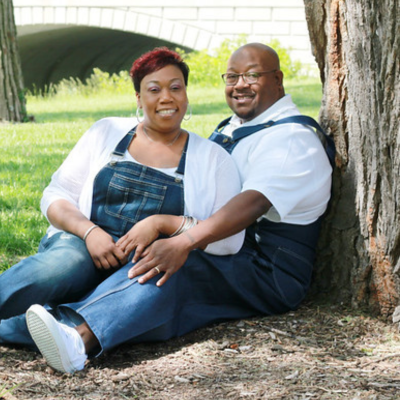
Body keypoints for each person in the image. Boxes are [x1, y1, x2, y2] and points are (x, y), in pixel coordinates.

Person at [0, 48, 244, 366]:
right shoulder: (107, 132)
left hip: (137, 268)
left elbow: (230, 241)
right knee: (67, 262)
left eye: (176, 87)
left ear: (186, 93)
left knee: (156, 278)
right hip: (82, 248)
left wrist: (163, 223)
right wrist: (89, 232)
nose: (166, 98)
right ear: (139, 97)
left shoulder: (212, 159)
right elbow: (54, 195)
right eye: (154, 89)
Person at [22, 42, 334, 374]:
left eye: (253, 75)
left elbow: (252, 204)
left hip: (266, 267)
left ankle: (77, 340)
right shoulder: (238, 126)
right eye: (232, 76)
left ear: (279, 79)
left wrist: (182, 239)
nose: (240, 84)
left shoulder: (292, 140)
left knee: (169, 266)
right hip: (228, 244)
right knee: (132, 258)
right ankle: (2, 321)